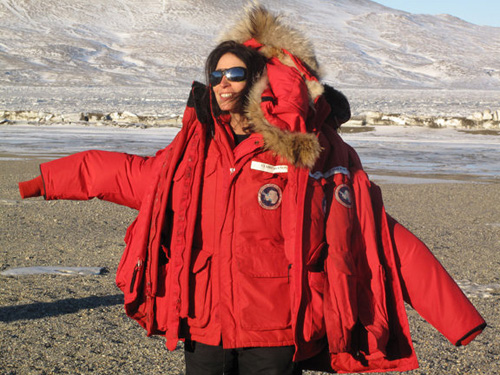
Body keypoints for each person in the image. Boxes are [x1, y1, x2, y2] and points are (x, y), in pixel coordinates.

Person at [18, 5, 485, 375]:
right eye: (215, 74)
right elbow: (124, 175)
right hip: (203, 323)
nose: (222, 83)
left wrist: (457, 318)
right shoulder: (197, 151)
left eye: (235, 73)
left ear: (261, 79)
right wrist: (42, 181)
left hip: (275, 331)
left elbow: (379, 238)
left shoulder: (306, 159)